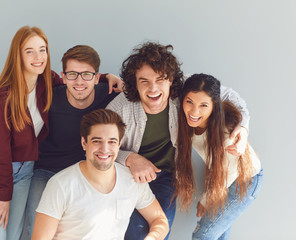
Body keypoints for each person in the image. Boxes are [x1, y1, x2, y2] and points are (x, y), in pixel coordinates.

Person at [0, 26, 121, 240]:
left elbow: (78, 81)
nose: (38, 57)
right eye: (30, 51)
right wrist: (4, 198)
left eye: (42, 50)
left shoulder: (48, 81)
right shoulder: (4, 96)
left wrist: (107, 77)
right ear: (18, 55)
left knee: (14, 235)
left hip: (25, 171)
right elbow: (1, 150)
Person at [107, 42, 251, 240]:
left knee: (158, 233)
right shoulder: (120, 107)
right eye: (144, 81)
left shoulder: (183, 95)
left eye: (160, 79)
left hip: (166, 177)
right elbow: (99, 147)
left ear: (171, 80)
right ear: (135, 82)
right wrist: (130, 158)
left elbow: (229, 96)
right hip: (129, 177)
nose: (153, 89)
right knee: (134, 234)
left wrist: (243, 126)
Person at [26, 45, 122, 237]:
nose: (79, 81)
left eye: (86, 75)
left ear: (97, 77)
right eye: (72, 74)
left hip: (84, 173)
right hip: (45, 170)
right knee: (35, 228)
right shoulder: (49, 98)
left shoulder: (110, 96)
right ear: (63, 77)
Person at [31, 109, 169, 240]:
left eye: (111, 142)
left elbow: (159, 220)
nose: (104, 149)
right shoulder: (60, 185)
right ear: (84, 143)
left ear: (119, 144)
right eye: (97, 141)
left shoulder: (132, 180)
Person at [174, 73, 263, 240]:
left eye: (203, 105)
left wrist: (206, 200)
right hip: (221, 175)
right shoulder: (184, 121)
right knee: (218, 235)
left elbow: (228, 172)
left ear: (214, 106)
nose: (194, 111)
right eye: (189, 102)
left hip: (245, 179)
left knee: (203, 235)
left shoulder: (224, 134)